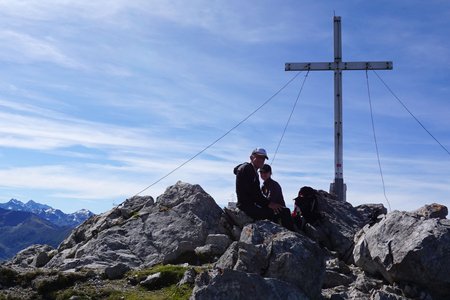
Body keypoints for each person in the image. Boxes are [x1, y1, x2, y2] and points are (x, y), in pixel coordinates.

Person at [233, 148, 294, 230]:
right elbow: (254, 194)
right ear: (251, 157)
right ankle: (291, 235)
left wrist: (267, 203)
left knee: (279, 211)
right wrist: (269, 204)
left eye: (263, 158)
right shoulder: (247, 169)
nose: (261, 160)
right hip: (247, 207)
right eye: (258, 157)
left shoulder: (250, 170)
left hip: (249, 205)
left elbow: (255, 194)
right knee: (284, 212)